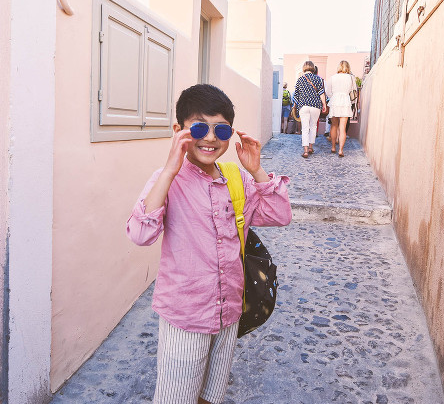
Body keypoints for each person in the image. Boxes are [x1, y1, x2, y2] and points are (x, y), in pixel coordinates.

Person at [126, 84, 292, 404]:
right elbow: (140, 234)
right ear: (179, 131)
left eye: (222, 129)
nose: (211, 138)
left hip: (227, 309)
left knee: (211, 395)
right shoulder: (167, 180)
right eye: (200, 127)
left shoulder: (234, 176)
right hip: (186, 315)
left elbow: (279, 214)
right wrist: (171, 169)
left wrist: (256, 169)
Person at [292, 60, 327, 158]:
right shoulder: (318, 79)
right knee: (313, 126)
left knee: (305, 128)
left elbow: (296, 95)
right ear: (313, 68)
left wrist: (295, 105)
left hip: (304, 106)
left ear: (304, 68)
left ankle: (306, 151)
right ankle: (311, 147)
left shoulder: (300, 79)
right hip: (315, 106)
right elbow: (321, 93)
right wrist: (324, 104)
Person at [325, 60, 357, 157]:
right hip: (345, 102)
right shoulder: (351, 78)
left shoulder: (332, 78)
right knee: (342, 128)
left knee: (334, 126)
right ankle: (341, 150)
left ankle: (333, 147)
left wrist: (334, 96)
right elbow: (353, 91)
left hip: (335, 101)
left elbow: (328, 92)